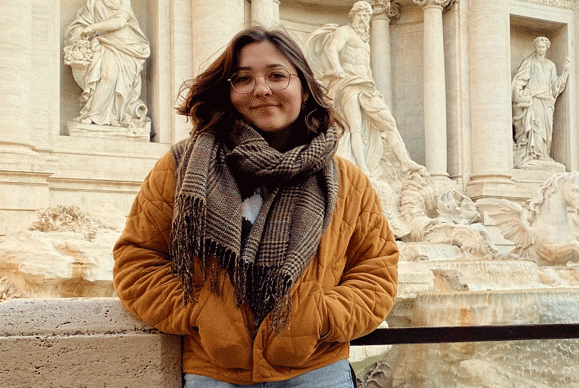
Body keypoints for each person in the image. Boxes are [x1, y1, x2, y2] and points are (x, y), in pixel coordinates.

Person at [113, 27, 399, 387]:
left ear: (305, 87)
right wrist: (200, 313)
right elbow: (137, 261)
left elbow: (377, 271)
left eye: (277, 75)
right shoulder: (181, 168)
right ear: (229, 91)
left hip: (316, 370)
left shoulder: (348, 180)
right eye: (243, 79)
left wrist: (321, 317)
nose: (261, 89)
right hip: (213, 370)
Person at [307, 1, 424, 177]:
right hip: (349, 84)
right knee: (356, 128)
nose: (363, 19)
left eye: (366, 16)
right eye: (360, 15)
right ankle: (362, 169)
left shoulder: (365, 42)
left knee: (389, 123)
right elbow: (332, 49)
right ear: (353, 15)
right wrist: (337, 66)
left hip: (366, 86)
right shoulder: (344, 32)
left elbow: (367, 67)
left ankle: (405, 162)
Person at [63, 0, 151, 129]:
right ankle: (97, 114)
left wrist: (92, 28)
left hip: (124, 45)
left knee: (111, 76)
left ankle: (100, 115)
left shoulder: (124, 0)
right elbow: (84, 21)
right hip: (102, 42)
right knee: (103, 75)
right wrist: (81, 32)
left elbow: (119, 22)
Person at [511, 36, 569, 167]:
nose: (541, 49)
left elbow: (555, 86)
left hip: (547, 101)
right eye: (539, 47)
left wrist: (566, 71)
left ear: (547, 48)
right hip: (534, 99)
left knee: (546, 131)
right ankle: (533, 154)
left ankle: (544, 154)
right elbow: (520, 80)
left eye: (543, 47)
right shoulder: (529, 62)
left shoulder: (550, 65)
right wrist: (518, 93)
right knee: (535, 127)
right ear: (535, 47)